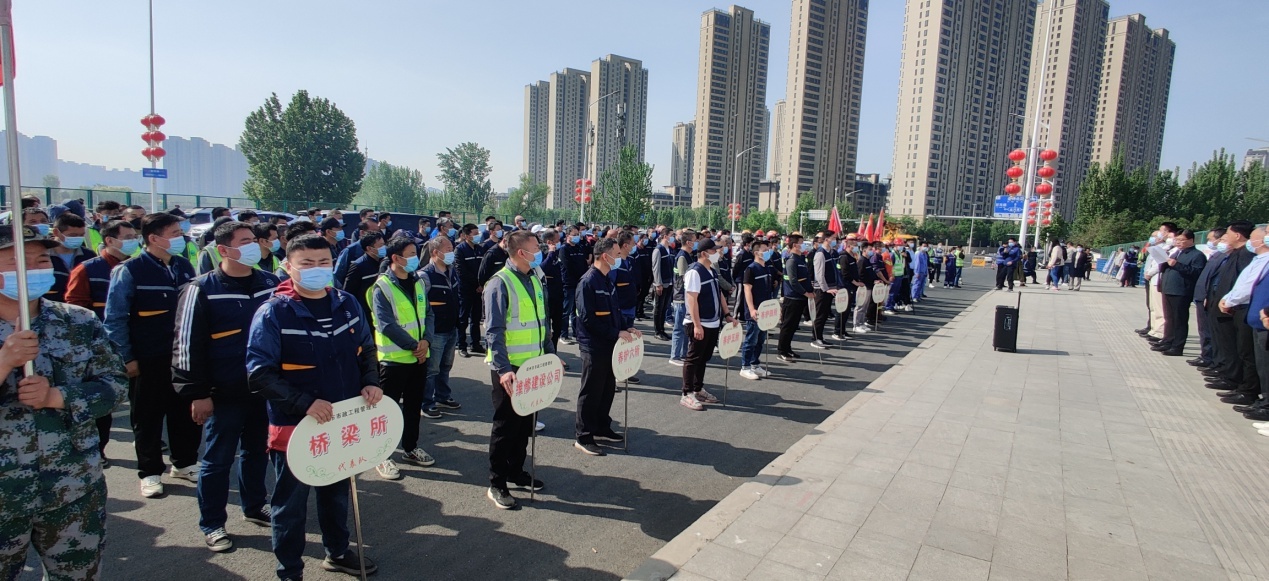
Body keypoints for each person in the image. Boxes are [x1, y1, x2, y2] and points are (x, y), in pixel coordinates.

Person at [246, 233, 382, 579]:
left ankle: (337, 551)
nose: (317, 270)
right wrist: (304, 403)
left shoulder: (346, 302)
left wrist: (370, 381)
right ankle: (289, 569)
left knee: (337, 492)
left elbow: (366, 347)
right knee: (289, 505)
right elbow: (259, 373)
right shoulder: (274, 312)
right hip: (296, 426)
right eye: (307, 264)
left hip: (342, 420)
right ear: (288, 267)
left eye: (324, 263)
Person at [0, 225, 128, 580]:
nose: (36, 268)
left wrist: (58, 397)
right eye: (19, 261)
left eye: (42, 259)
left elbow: (114, 386)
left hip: (72, 489)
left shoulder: (77, 321)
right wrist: (4, 362)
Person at [172, 220, 280, 552]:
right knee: (217, 460)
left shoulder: (270, 282)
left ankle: (254, 505)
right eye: (245, 241)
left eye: (254, 240)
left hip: (263, 391)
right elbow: (186, 345)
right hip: (223, 393)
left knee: (257, 451)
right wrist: (198, 393)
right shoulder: (201, 289)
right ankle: (213, 523)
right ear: (223, 249)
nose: (254, 246)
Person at [103, 212, 199, 499]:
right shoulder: (130, 270)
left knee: (183, 413)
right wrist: (127, 358)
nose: (180, 237)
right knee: (147, 417)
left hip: (180, 358)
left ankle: (183, 463)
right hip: (147, 359)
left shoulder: (183, 266)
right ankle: (150, 471)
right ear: (154, 238)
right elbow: (115, 319)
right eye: (174, 233)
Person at [483, 230, 551, 509]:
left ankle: (516, 471)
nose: (541, 249)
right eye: (536, 246)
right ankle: (497, 482)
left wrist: (550, 354)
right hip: (510, 368)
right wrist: (502, 369)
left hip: (534, 366)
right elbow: (493, 332)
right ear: (521, 252)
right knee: (505, 426)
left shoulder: (535, 277)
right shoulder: (499, 283)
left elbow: (542, 322)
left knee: (525, 424)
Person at [368, 235, 437, 478]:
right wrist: (414, 346)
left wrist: (426, 341)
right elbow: (385, 325)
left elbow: (428, 314)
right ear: (396, 258)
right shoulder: (382, 287)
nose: (415, 258)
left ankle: (410, 447)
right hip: (394, 360)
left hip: (418, 358)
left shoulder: (418, 282)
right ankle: (381, 454)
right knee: (386, 410)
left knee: (413, 406)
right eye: (410, 254)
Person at [574, 238, 636, 455]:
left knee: (607, 388)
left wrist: (627, 328)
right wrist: (614, 332)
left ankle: (601, 426)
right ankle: (583, 436)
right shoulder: (588, 282)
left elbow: (614, 312)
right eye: (617, 254)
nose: (619, 258)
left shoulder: (608, 278)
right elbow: (587, 319)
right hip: (593, 345)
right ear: (604, 255)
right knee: (591, 391)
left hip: (611, 344)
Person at [1203, 223, 1259, 403]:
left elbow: (1245, 285)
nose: (1224, 237)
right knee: (1226, 344)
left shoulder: (1247, 256)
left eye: (1227, 233)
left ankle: (1237, 381)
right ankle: (1227, 374)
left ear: (1237, 235)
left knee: (1240, 350)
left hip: (1236, 308)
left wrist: (1230, 300)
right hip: (1223, 304)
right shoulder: (1234, 254)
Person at [680, 240, 731, 410]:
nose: (718, 252)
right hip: (699, 323)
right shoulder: (695, 272)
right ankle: (687, 393)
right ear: (704, 253)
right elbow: (691, 300)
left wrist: (727, 314)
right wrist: (696, 325)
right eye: (714, 250)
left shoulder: (711, 270)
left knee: (703, 358)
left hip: (713, 322)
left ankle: (698, 388)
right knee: (693, 358)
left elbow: (719, 294)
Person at [420, 236, 463, 418]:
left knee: (445, 365)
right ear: (435, 252)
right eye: (447, 249)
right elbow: (422, 307)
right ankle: (427, 403)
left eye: (451, 248)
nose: (451, 252)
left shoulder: (452, 271)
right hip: (435, 330)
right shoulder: (425, 275)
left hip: (451, 327)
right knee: (432, 369)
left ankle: (443, 396)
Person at [1153, 230, 1207, 357]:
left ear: (1191, 240)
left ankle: (1177, 346)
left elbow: (1196, 272)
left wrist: (1177, 264)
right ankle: (1168, 340)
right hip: (1169, 289)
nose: (1178, 243)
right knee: (1170, 318)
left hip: (1181, 291)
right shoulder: (1177, 252)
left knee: (1179, 320)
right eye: (1177, 240)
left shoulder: (1197, 255)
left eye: (1182, 240)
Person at [1189, 228, 1228, 368]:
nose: (1209, 242)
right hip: (1202, 296)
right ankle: (1206, 355)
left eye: (1211, 239)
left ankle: (1210, 358)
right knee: (1203, 329)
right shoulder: (1216, 255)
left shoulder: (1224, 257)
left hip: (1209, 298)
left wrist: (1208, 295)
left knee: (1208, 331)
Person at [738, 237, 773, 380]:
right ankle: (745, 367)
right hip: (755, 310)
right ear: (756, 253)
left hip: (766, 310)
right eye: (765, 250)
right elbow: (747, 290)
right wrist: (752, 309)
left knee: (760, 339)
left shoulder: (767, 268)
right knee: (751, 339)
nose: (768, 252)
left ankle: (755, 364)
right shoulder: (751, 269)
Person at [609, 232, 642, 384]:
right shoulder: (615, 264)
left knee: (628, 341)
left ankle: (625, 370)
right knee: (616, 343)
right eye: (632, 243)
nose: (635, 246)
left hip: (630, 306)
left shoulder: (629, 261)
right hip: (620, 308)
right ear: (625, 245)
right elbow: (611, 288)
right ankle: (613, 375)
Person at [777, 234, 814, 362]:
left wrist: (810, 291)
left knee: (793, 326)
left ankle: (788, 349)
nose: (803, 245)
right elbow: (793, 281)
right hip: (792, 298)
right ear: (794, 245)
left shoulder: (801, 259)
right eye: (801, 243)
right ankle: (782, 350)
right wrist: (805, 293)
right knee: (787, 325)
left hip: (800, 298)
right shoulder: (791, 260)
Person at [455, 224, 486, 357]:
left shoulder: (480, 249)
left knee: (476, 317)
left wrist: (481, 284)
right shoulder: (460, 250)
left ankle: (476, 344)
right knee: (463, 317)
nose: (477, 235)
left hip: (479, 290)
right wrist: (475, 284)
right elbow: (461, 271)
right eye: (475, 233)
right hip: (466, 289)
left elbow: (484, 268)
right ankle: (462, 345)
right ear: (467, 236)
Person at [669, 230, 699, 365]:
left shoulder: (688, 255)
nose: (696, 243)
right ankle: (675, 356)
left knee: (686, 327)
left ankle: (683, 354)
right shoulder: (682, 257)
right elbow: (683, 278)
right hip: (681, 296)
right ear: (688, 242)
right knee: (679, 328)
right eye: (694, 240)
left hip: (685, 296)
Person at [342, 232, 386, 319]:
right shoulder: (358, 266)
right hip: (365, 313)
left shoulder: (384, 263)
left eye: (384, 244)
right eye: (380, 245)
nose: (384, 248)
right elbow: (348, 292)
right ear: (369, 248)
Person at [559, 226, 589, 345]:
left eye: (578, 234)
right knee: (566, 310)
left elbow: (584, 264)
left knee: (577, 311)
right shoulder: (564, 250)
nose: (577, 236)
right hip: (569, 284)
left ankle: (577, 333)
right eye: (574, 234)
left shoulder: (579, 247)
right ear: (567, 236)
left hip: (579, 283)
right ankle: (563, 334)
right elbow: (569, 267)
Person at [809, 231, 838, 349]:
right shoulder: (820, 254)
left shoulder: (829, 253)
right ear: (826, 239)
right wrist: (826, 289)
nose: (836, 240)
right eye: (833, 238)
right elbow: (819, 274)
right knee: (820, 315)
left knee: (825, 314)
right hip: (821, 290)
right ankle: (815, 338)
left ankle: (820, 337)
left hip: (830, 289)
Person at [651, 231, 676, 341]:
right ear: (665, 236)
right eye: (671, 235)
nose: (673, 238)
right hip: (662, 284)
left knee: (665, 307)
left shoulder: (669, 249)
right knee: (659, 308)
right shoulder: (658, 250)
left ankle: (662, 329)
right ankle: (657, 331)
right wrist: (658, 283)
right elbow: (656, 268)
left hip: (669, 282)